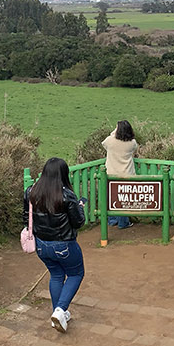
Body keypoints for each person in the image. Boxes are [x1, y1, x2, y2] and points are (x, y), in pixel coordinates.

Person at [24, 157, 87, 333]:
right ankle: (60, 310)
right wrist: (80, 206)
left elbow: (25, 218)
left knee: (57, 275)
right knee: (76, 274)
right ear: (63, 174)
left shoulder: (31, 192)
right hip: (64, 245)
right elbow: (78, 222)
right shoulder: (67, 195)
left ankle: (58, 315)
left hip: (41, 246)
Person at [101, 120, 138, 229]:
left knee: (111, 198)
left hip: (111, 173)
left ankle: (112, 220)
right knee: (123, 199)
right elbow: (134, 149)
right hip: (126, 173)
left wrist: (113, 133)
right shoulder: (132, 143)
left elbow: (104, 143)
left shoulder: (110, 141)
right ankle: (123, 222)